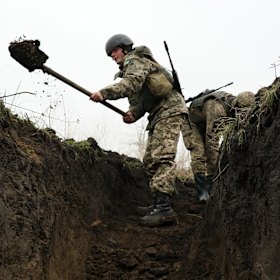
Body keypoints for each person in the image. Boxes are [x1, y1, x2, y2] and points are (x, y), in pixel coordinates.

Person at [90, 34, 192, 227]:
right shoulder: (129, 66)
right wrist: (132, 114)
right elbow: (139, 102)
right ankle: (156, 204)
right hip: (157, 114)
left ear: (124, 48)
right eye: (110, 54)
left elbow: (132, 83)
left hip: (170, 110)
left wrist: (104, 94)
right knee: (150, 160)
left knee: (162, 157)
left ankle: (164, 209)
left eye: (114, 51)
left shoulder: (135, 60)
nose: (112, 56)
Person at [186, 90, 255, 201]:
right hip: (191, 123)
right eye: (241, 111)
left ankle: (209, 185)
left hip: (205, 120)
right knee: (199, 152)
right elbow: (212, 142)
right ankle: (202, 191)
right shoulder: (218, 109)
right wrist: (215, 172)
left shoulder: (233, 107)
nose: (242, 114)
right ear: (236, 106)